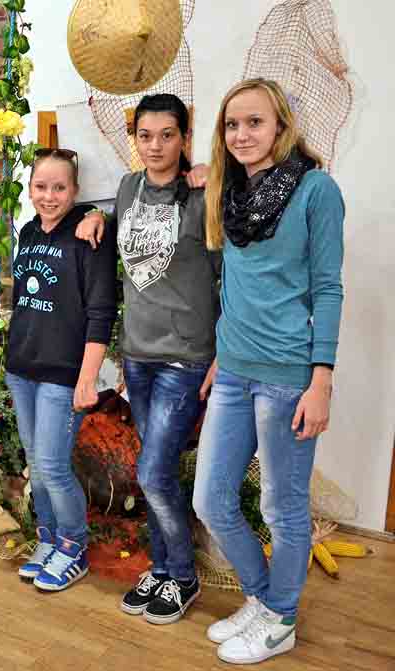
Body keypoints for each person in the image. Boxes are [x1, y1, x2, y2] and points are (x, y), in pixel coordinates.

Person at [191, 78, 344, 665]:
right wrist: (219, 356)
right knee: (211, 499)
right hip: (233, 370)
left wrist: (321, 380)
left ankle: (281, 620)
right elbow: (236, 283)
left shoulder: (316, 190)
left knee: (283, 507)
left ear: (281, 125)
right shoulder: (230, 192)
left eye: (254, 122)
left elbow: (327, 288)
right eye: (232, 125)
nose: (241, 134)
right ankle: (263, 598)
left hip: (287, 375)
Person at [76, 94, 220, 625]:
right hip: (137, 356)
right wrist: (96, 216)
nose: (155, 146)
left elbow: (232, 276)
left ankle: (182, 575)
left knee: (154, 472)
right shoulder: (128, 186)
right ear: (134, 139)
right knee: (155, 471)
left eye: (167, 135)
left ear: (184, 138)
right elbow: (115, 222)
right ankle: (161, 570)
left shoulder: (204, 195)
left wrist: (224, 351)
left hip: (186, 357)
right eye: (145, 135)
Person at [8, 148, 118, 592]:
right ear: (29, 189)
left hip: (62, 372)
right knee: (36, 463)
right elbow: (23, 298)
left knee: (53, 466)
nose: (49, 196)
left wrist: (87, 377)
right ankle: (49, 538)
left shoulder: (89, 234)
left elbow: (101, 312)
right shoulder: (28, 231)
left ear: (75, 190)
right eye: (40, 186)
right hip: (21, 368)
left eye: (59, 187)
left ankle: (74, 547)